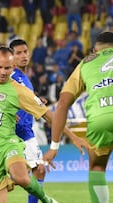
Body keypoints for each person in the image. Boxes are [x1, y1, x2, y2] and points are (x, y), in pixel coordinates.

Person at [0, 47, 86, 203]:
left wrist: (72, 136)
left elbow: (47, 114)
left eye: (7, 68)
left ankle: (46, 199)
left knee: (27, 175)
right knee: (32, 174)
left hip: (15, 139)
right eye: (0, 67)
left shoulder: (20, 86)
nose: (3, 71)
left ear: (13, 67)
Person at [43, 32, 113, 203]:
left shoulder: (86, 63)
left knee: (97, 166)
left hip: (100, 116)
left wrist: (54, 145)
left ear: (95, 49)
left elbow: (63, 103)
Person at [9, 39, 46, 203]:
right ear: (11, 57)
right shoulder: (10, 76)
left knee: (37, 171)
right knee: (29, 173)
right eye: (18, 53)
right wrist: (7, 112)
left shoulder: (24, 77)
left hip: (25, 130)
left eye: (25, 51)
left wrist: (37, 101)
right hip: (13, 131)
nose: (23, 55)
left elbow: (24, 99)